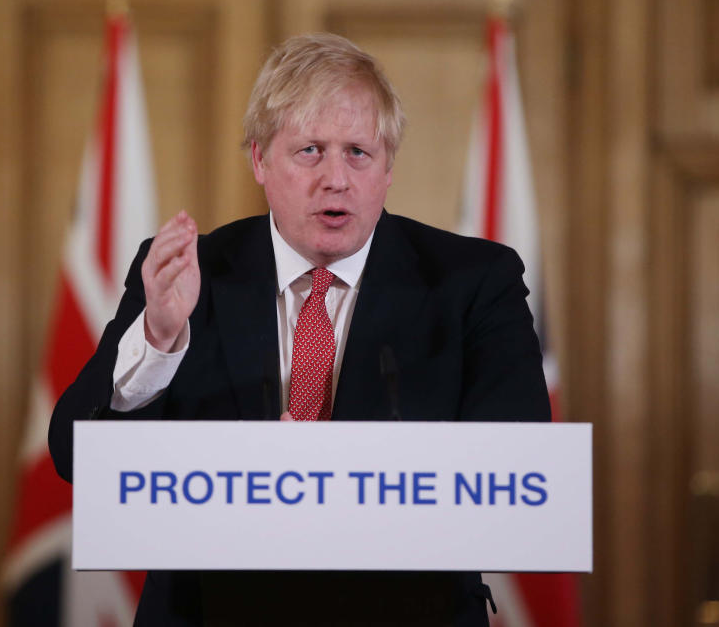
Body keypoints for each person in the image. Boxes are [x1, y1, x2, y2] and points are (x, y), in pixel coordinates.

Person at [49, 33, 550, 626]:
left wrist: (327, 477)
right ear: (260, 160)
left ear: (388, 165)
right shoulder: (191, 276)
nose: (335, 178)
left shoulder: (474, 283)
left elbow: (517, 472)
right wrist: (158, 338)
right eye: (310, 150)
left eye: (358, 153)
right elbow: (75, 455)